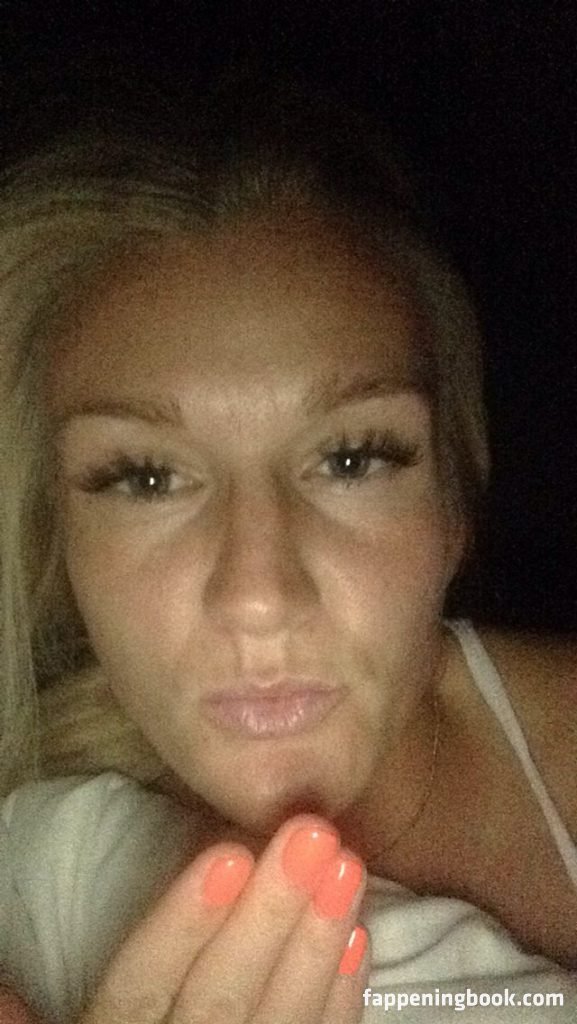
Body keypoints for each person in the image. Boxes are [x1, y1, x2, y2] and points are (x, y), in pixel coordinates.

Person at [0, 77, 575, 1023]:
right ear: (59, 543)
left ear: (453, 507)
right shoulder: (48, 877)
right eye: (145, 478)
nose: (258, 594)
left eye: (351, 459)